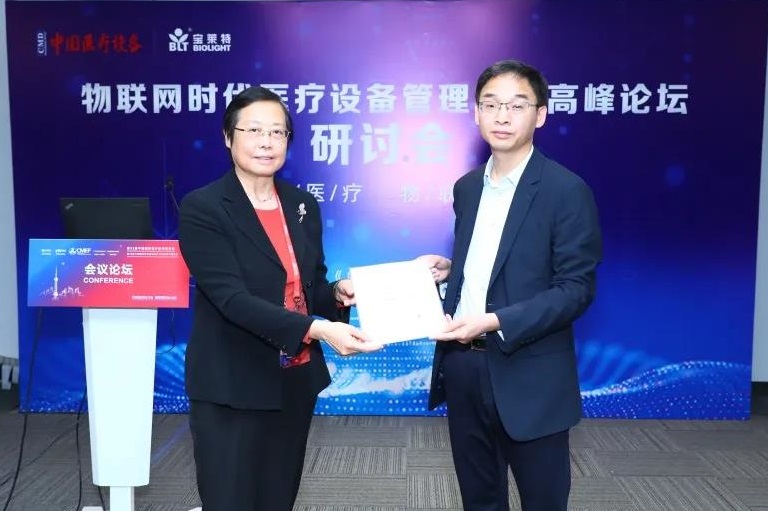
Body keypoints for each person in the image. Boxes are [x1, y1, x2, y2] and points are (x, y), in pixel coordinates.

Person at [178, 85, 382, 511]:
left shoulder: (302, 204)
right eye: (253, 130)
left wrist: (337, 295)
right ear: (228, 137)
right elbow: (231, 300)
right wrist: (318, 330)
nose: (266, 142)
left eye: (277, 132)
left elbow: (309, 288)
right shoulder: (204, 208)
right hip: (233, 383)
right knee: (231, 500)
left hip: (293, 380)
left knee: (277, 498)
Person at [419, 59, 602, 511]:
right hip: (464, 365)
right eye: (491, 104)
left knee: (543, 500)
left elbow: (575, 288)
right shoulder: (467, 188)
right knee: (479, 498)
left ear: (540, 115)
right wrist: (453, 269)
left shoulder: (566, 190)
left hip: (529, 369)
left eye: (517, 105)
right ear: (476, 113)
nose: (502, 116)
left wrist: (497, 320)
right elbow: (501, 260)